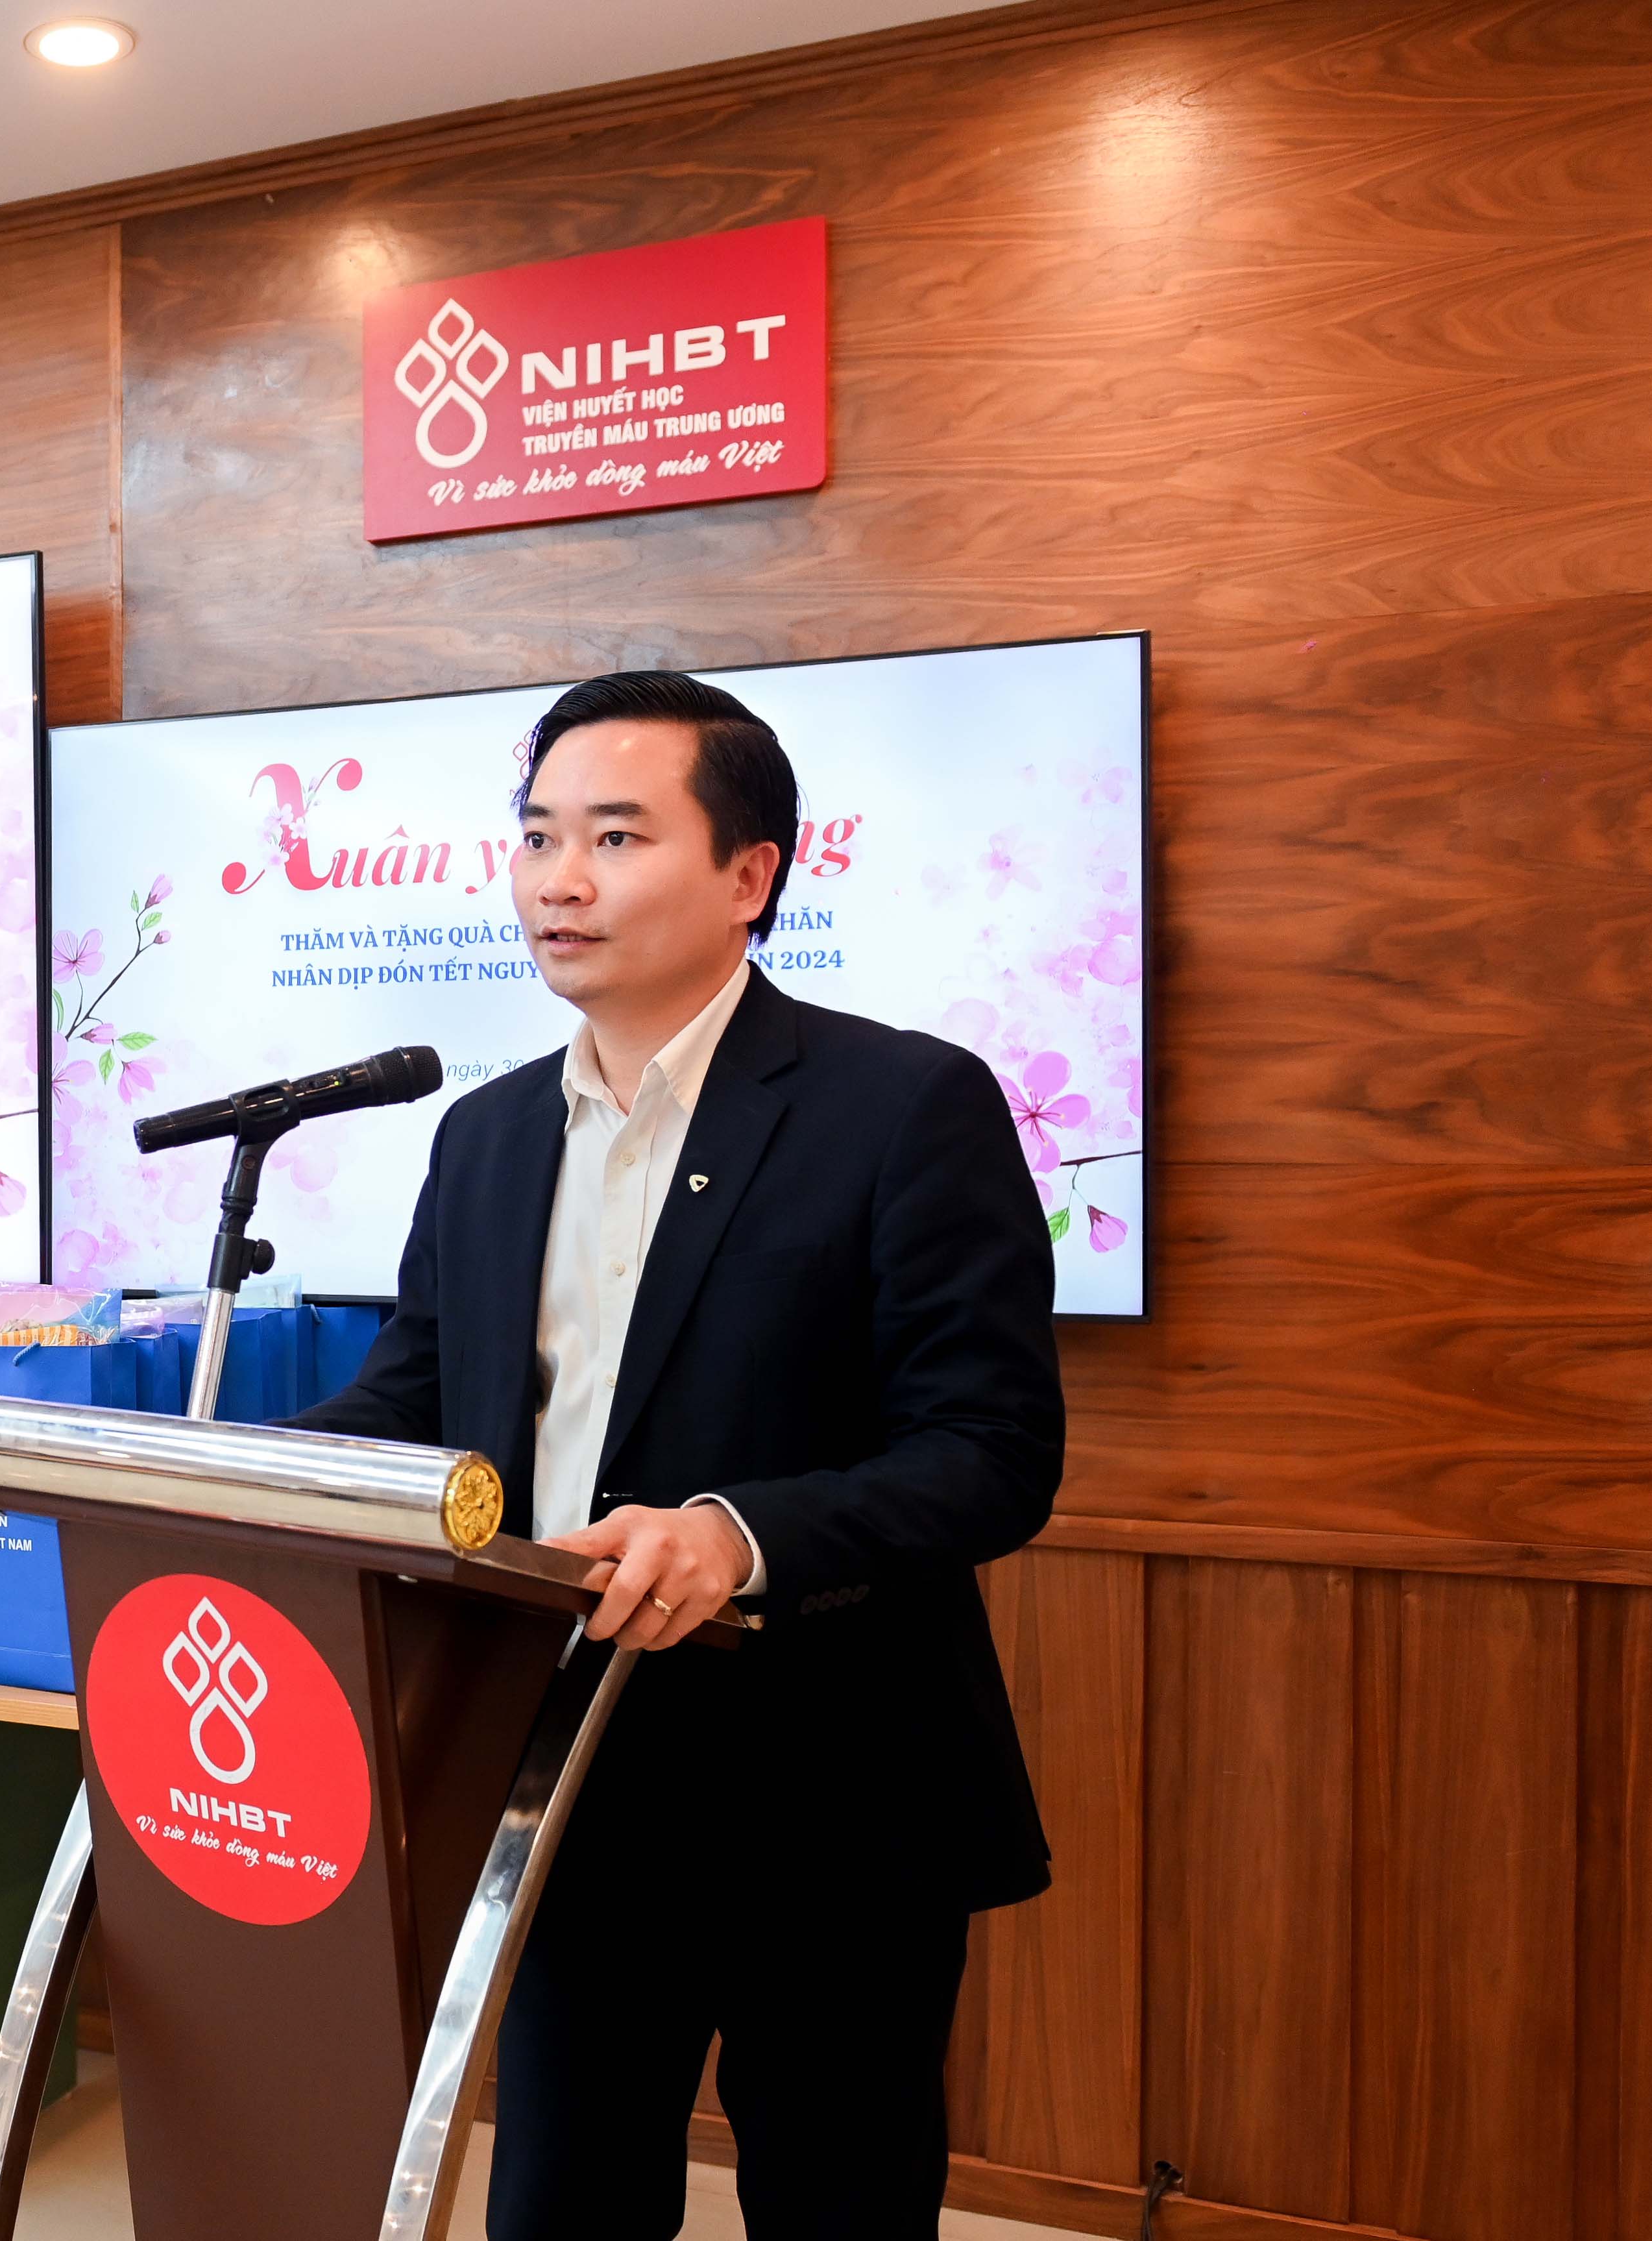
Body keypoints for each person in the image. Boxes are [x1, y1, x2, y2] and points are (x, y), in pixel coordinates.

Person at [291, 670, 1063, 2238]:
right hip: (564, 1768)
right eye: (534, 836)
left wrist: (733, 1530)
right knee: (560, 2200)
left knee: (837, 2207)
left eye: (613, 836)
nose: (556, 879)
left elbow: (989, 1448)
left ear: (746, 874)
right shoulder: (487, 1134)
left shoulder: (901, 1104)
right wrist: (236, 1479)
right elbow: (416, 1399)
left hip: (828, 1786)